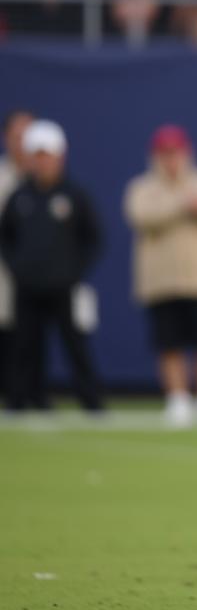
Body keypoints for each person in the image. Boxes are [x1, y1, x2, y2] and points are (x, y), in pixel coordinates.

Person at [123, 125, 197, 427]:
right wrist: (182, 204)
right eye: (165, 153)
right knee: (169, 344)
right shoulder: (143, 187)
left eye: (176, 153)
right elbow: (140, 216)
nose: (171, 159)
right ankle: (178, 399)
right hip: (161, 282)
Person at [0, 120, 104, 412]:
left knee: (76, 346)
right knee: (24, 346)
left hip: (64, 286)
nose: (43, 161)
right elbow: (5, 237)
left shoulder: (74, 194)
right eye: (38, 155)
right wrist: (17, 267)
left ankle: (92, 403)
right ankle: (18, 402)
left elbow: (93, 239)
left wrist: (74, 271)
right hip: (27, 285)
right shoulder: (19, 196)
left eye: (48, 155)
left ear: (60, 156)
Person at [0, 109, 33, 403]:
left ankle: (30, 397)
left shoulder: (48, 179)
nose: (23, 143)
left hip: (40, 280)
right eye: (18, 136)